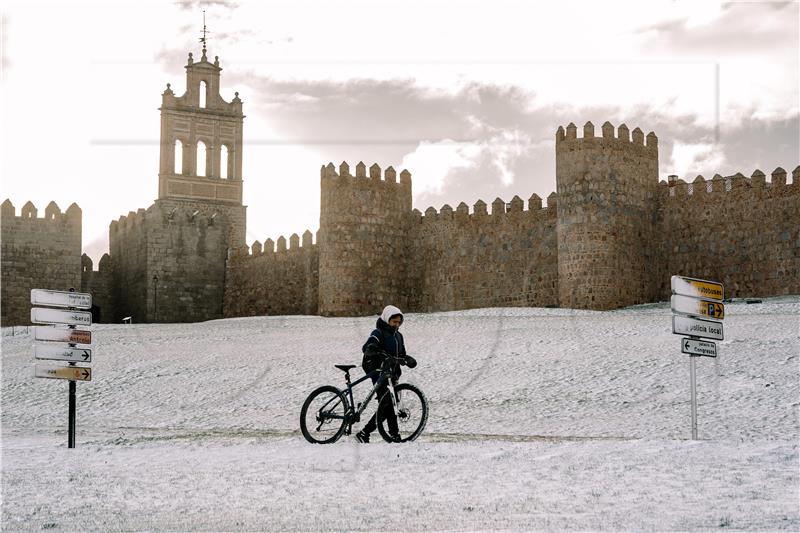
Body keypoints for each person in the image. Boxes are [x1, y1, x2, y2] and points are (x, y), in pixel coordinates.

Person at [355, 305, 417, 443]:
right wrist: (372, 348)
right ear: (386, 320)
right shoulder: (378, 332)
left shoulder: (399, 336)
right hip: (378, 371)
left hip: (392, 373)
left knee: (390, 403)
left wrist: (407, 359)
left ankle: (370, 433)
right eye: (394, 321)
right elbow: (368, 345)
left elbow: (401, 354)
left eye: (398, 322)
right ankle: (389, 434)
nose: (396, 324)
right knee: (388, 402)